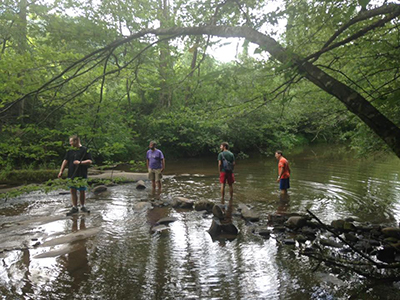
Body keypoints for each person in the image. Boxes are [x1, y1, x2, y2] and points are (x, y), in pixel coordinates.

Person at [58, 135, 93, 216]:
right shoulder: (70, 151)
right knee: (72, 190)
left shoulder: (84, 150)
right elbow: (65, 161)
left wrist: (80, 163)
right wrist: (61, 171)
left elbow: (90, 161)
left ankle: (82, 206)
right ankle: (74, 207)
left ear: (76, 141)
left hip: (82, 174)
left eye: (71, 141)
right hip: (71, 173)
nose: (70, 143)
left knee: (82, 190)